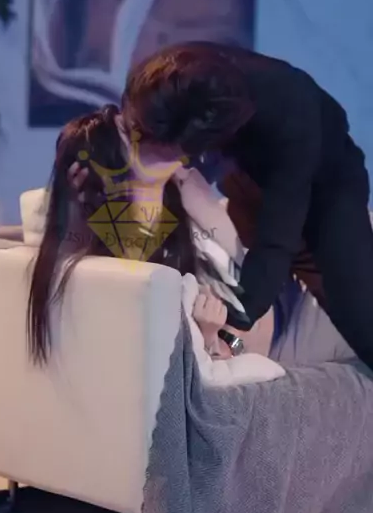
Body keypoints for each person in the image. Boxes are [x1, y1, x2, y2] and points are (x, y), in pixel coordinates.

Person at [117, 40, 373, 371]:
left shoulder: (291, 116)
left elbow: (275, 245)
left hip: (326, 180)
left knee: (359, 315)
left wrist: (228, 331)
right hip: (239, 192)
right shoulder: (164, 83)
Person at [26, 104, 274, 366]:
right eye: (132, 137)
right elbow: (231, 345)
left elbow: (244, 318)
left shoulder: (183, 203)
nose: (151, 139)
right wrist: (210, 339)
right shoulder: (112, 269)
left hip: (268, 298)